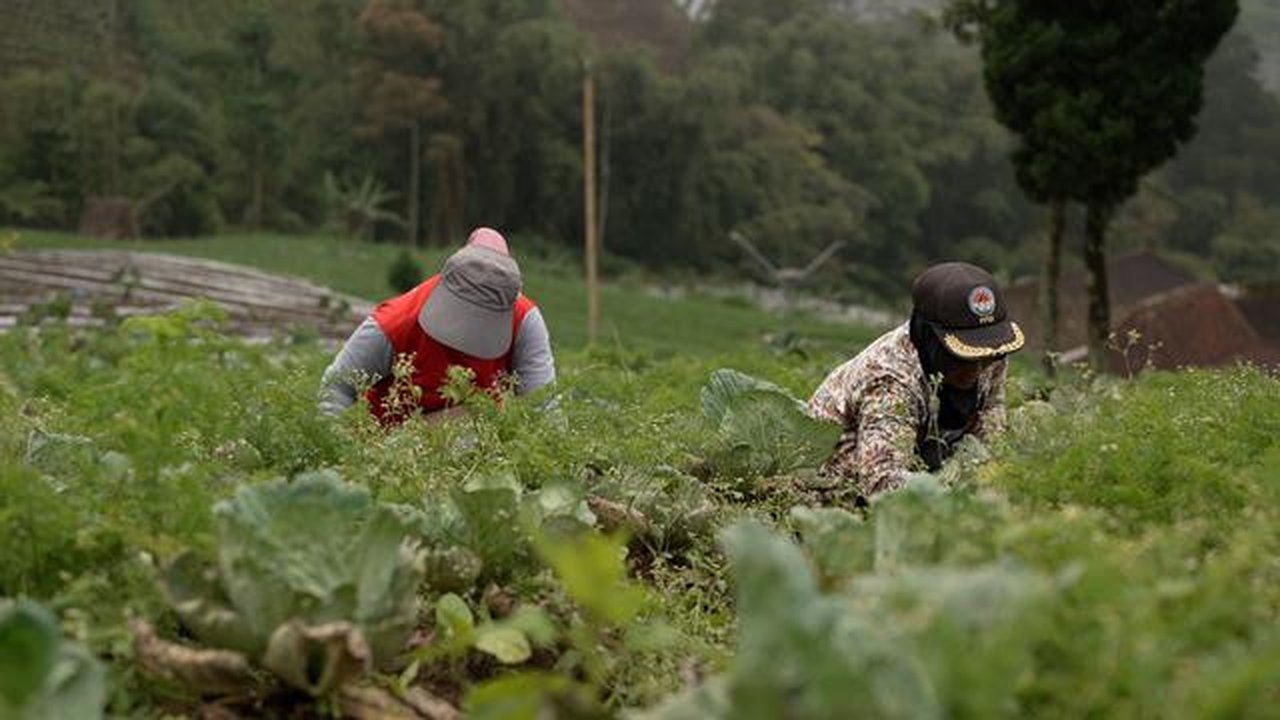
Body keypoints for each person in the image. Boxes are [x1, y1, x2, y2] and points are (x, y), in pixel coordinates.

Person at [807, 262, 1024, 503]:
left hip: (926, 458)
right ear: (929, 338)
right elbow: (881, 480)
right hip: (839, 488)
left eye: (986, 357)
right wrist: (957, 502)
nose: (976, 369)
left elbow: (991, 425)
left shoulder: (989, 353)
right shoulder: (889, 379)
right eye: (963, 357)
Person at [319, 228, 555, 422]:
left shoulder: (524, 321)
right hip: (391, 446)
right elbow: (337, 386)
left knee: (472, 422)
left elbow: (542, 406)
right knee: (467, 423)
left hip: (477, 446)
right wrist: (337, 451)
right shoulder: (397, 321)